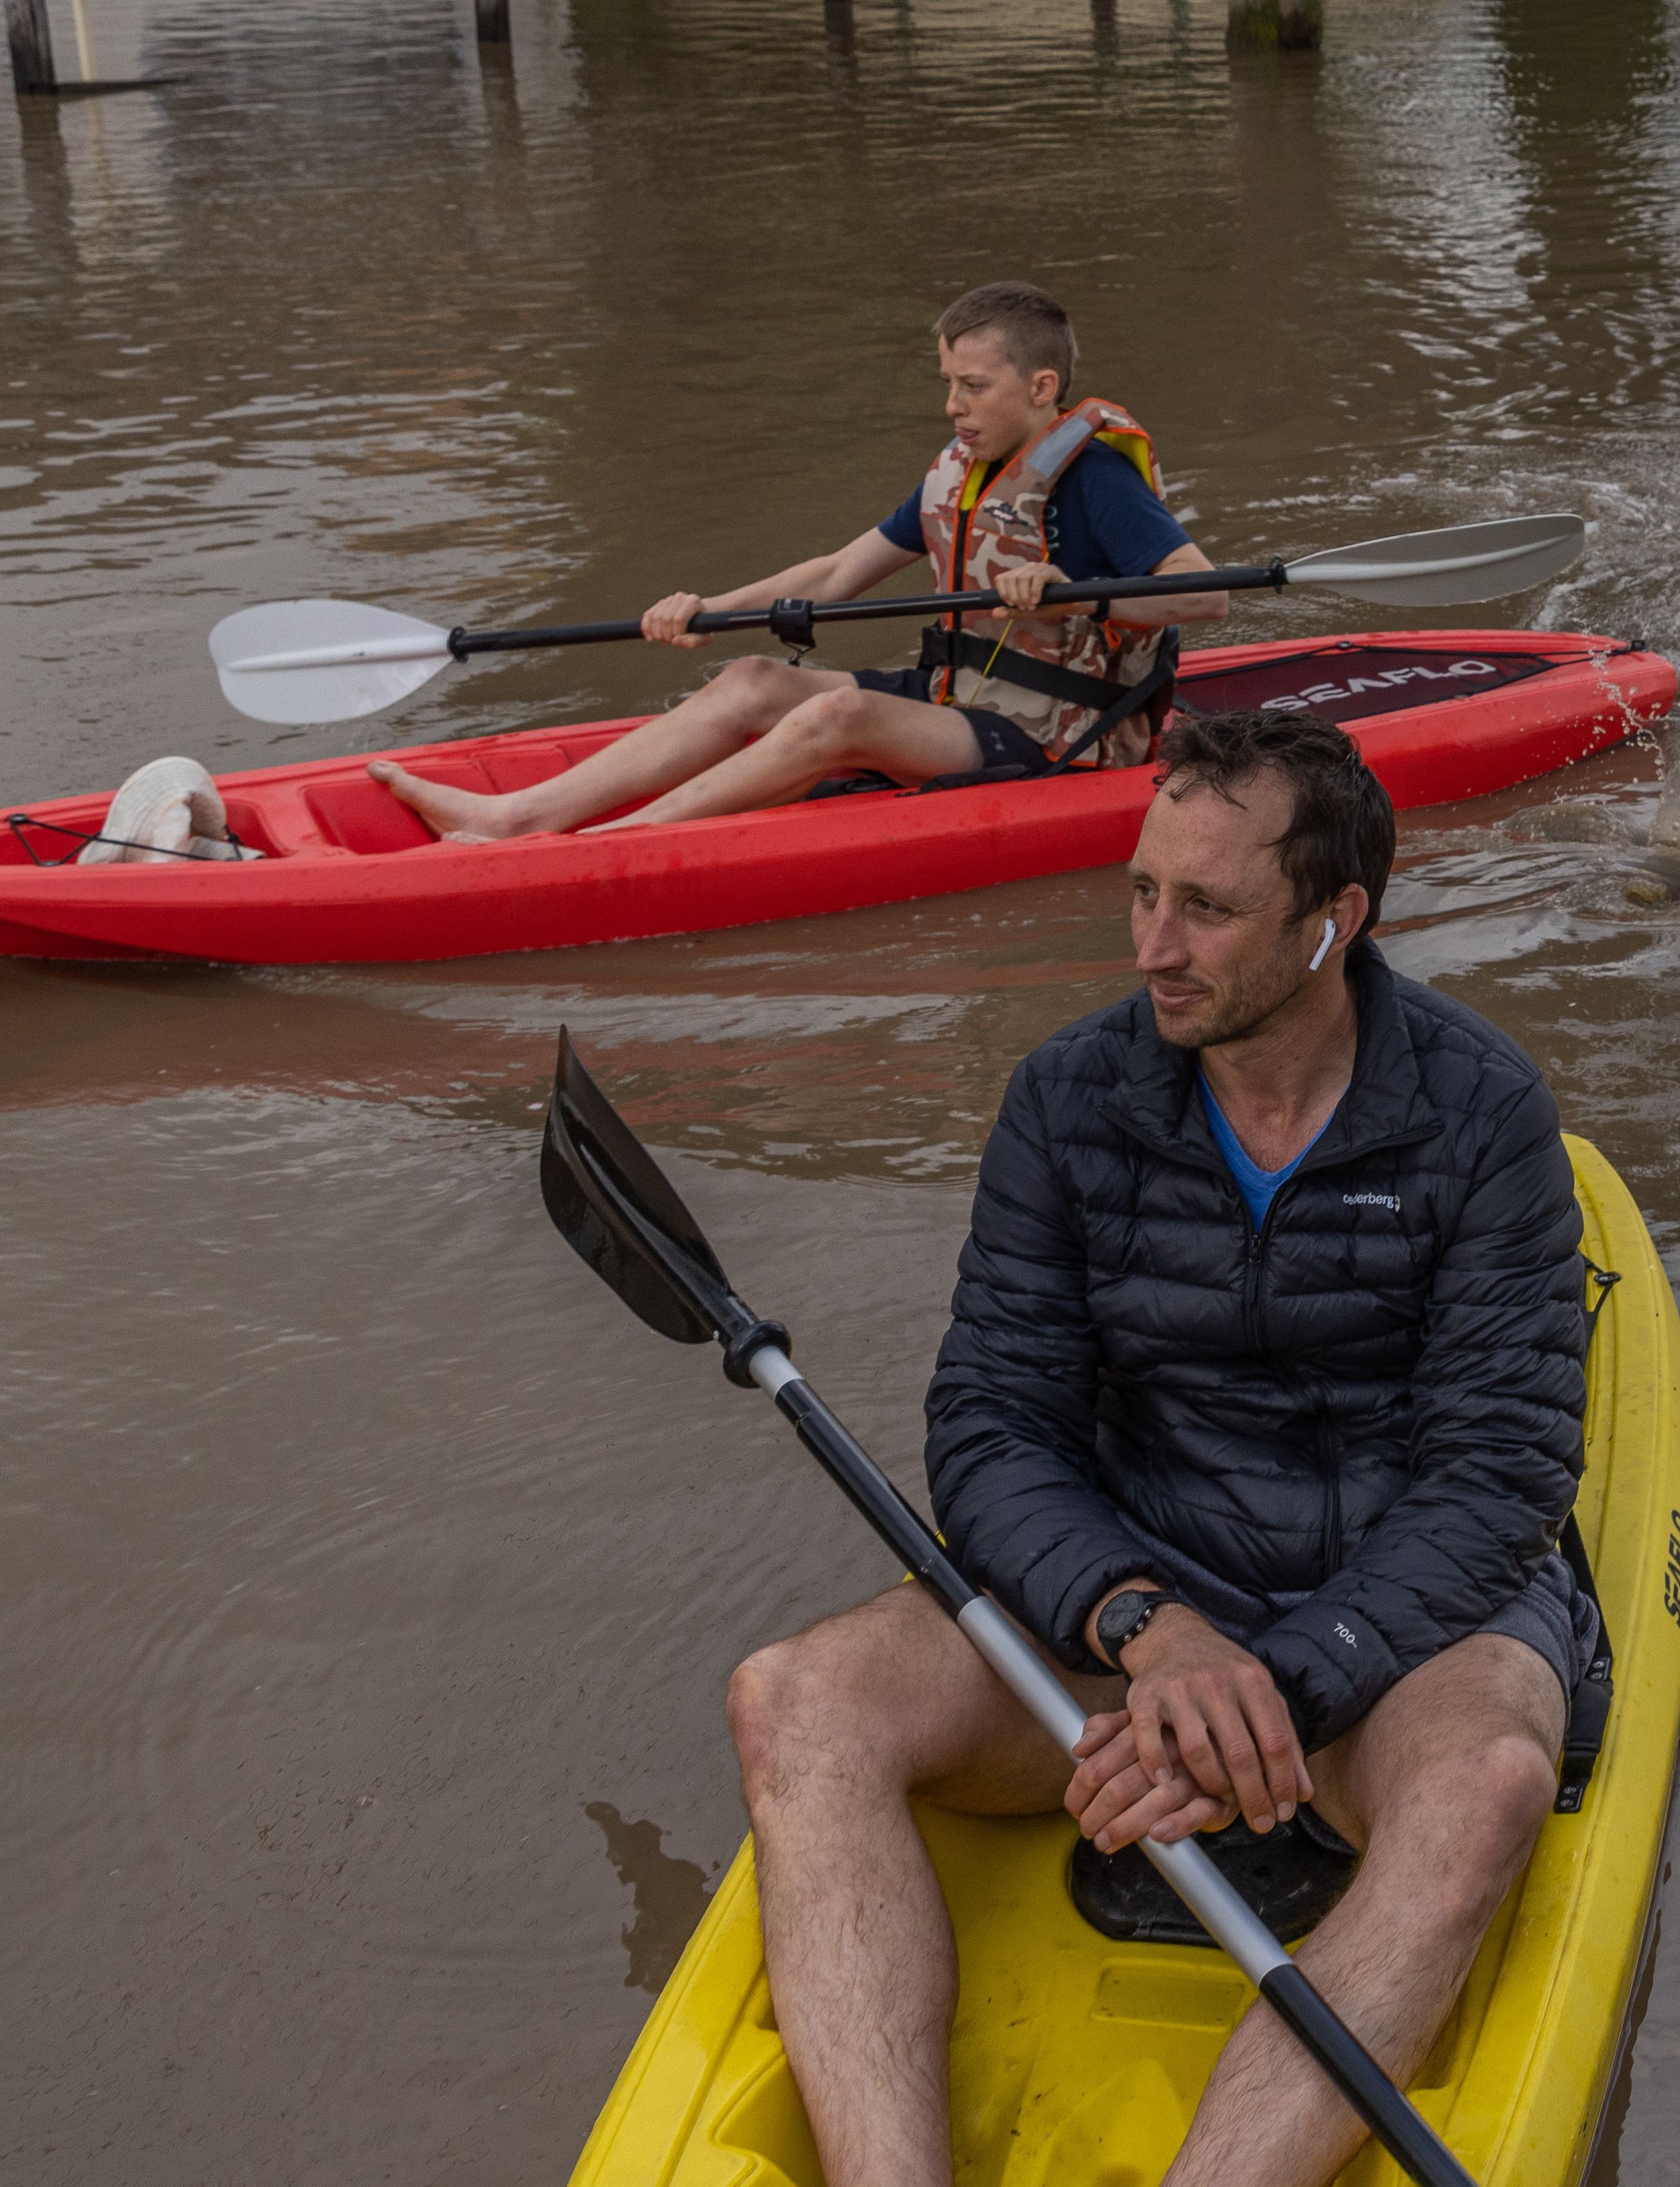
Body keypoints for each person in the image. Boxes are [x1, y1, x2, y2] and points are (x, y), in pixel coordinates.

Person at [720, 712, 1594, 2187]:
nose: (1152, 943)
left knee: (1483, 1786)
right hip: (1146, 1583)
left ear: (1336, 922)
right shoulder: (1069, 1100)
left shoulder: (1483, 1115)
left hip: (1401, 1624)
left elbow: (1500, 1475)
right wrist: (1142, 1625)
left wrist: (1280, 1687)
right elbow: (992, 1426)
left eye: (1205, 906)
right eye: (1140, 891)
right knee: (791, 1701)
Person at [372, 282, 1223, 840]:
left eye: (973, 385)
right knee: (752, 681)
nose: (953, 406)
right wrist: (709, 609)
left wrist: (1079, 599)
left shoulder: (1101, 480)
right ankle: (518, 816)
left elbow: (1203, 597)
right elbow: (832, 575)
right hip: (957, 702)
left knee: (831, 718)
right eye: (947, 383)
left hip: (1066, 738)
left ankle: (605, 848)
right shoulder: (964, 474)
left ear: (1042, 388)